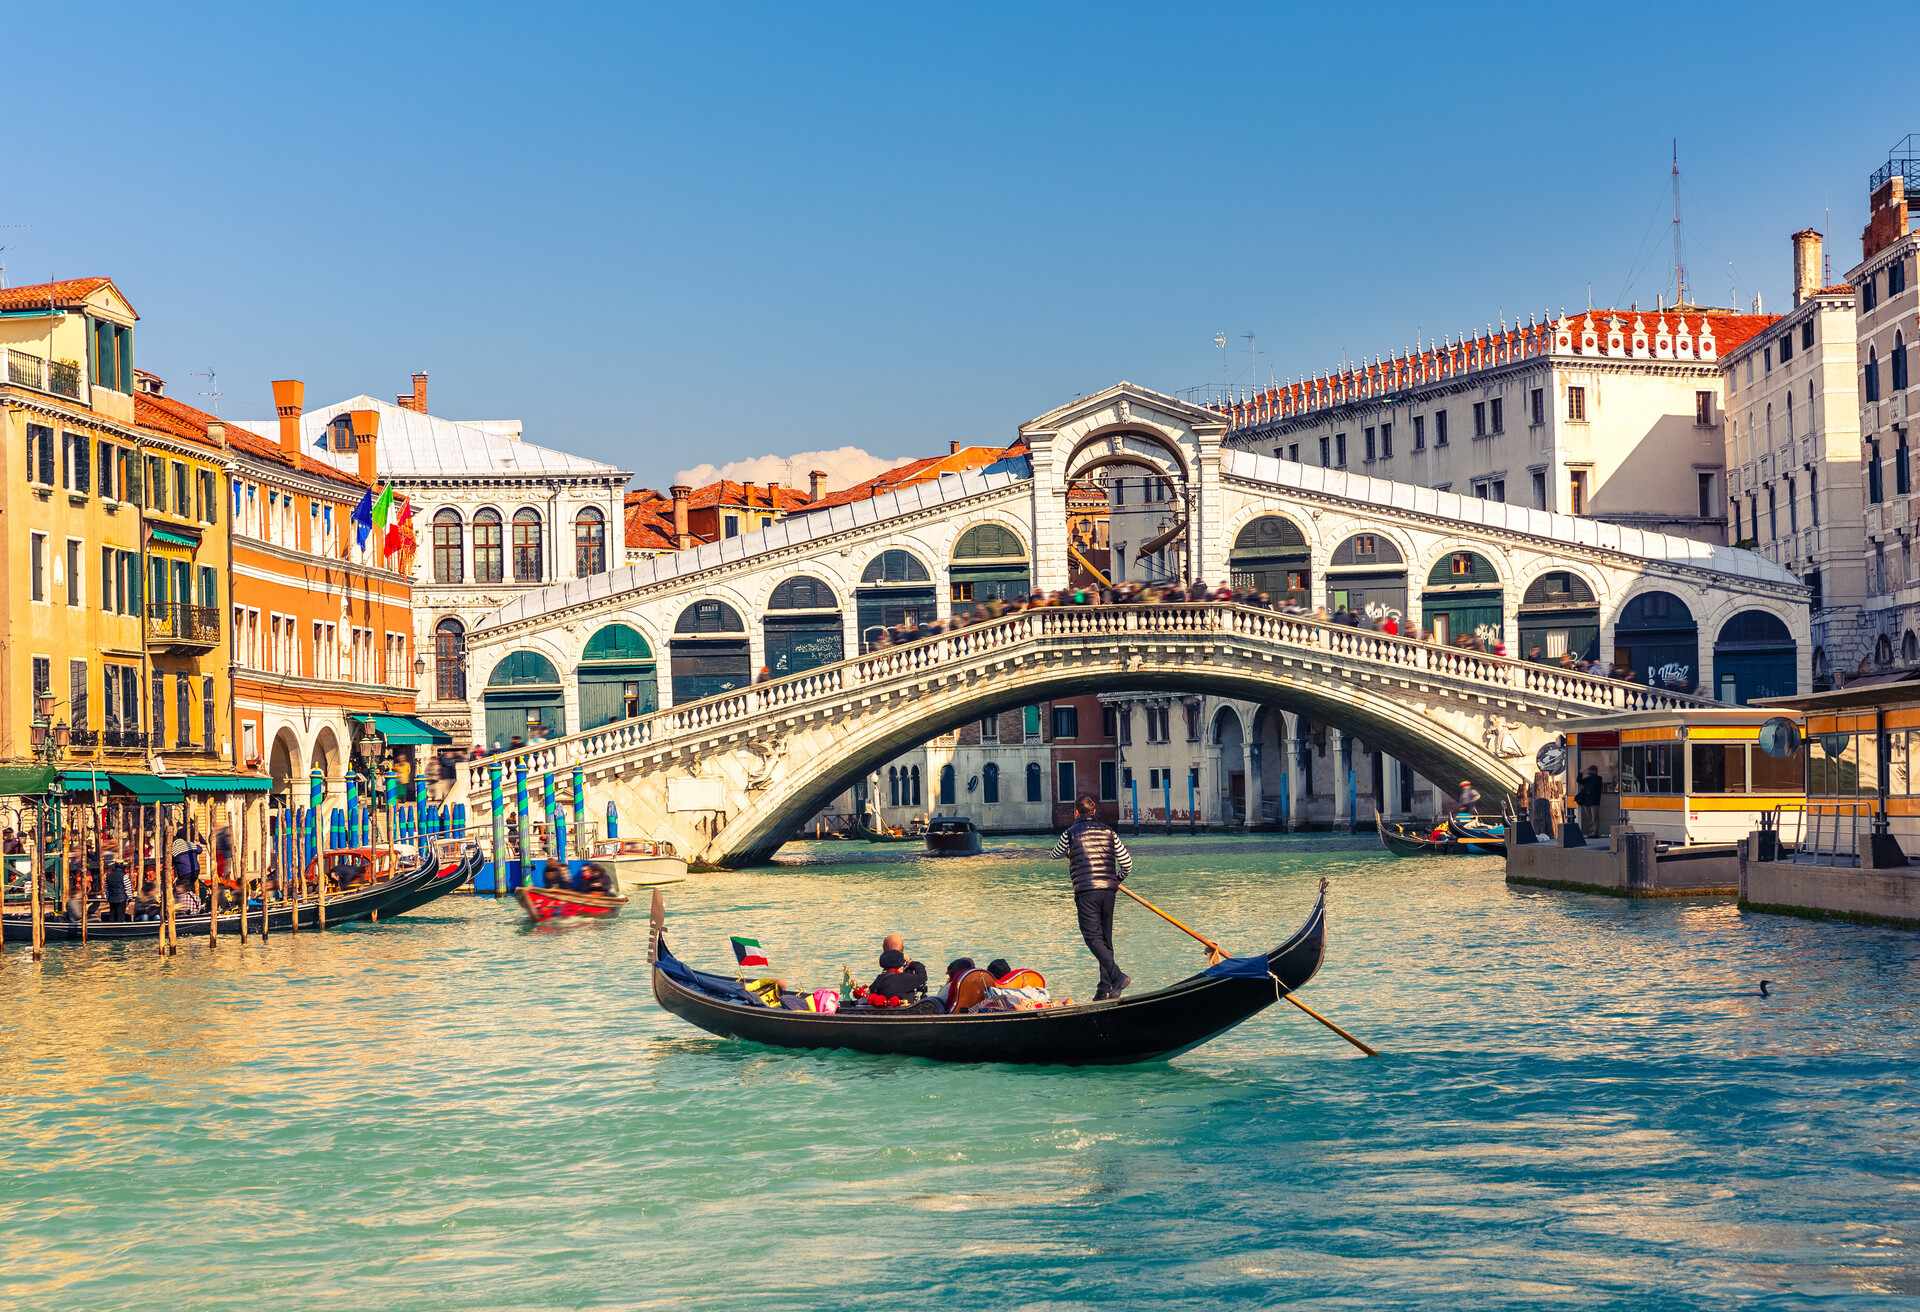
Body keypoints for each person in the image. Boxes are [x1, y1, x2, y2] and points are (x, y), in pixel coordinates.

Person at [1050, 794, 1133, 1000]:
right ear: (1094, 812)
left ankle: (1117, 976)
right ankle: (1105, 989)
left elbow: (1054, 854)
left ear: (1076, 813)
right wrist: (1117, 879)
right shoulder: (1109, 832)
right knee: (1105, 939)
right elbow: (1127, 864)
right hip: (1108, 891)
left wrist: (1069, 852)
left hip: (1086, 891)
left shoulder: (1070, 834)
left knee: (1092, 938)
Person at [1576, 764, 1605, 836]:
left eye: (1590, 770)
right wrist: (1581, 773)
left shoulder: (1597, 778)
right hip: (1588, 801)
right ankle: (1591, 831)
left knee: (1594, 818)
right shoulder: (1589, 779)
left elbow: (1593, 784)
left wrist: (1584, 773)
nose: (1589, 772)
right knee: (1590, 818)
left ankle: (1595, 832)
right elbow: (1579, 780)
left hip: (1594, 801)